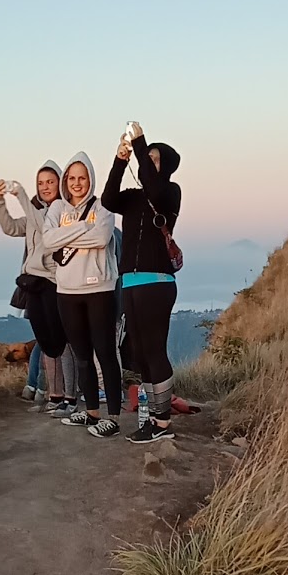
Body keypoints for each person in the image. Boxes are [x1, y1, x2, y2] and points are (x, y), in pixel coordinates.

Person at [101, 120, 182, 444]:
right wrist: (120, 160)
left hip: (157, 282)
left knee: (155, 349)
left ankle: (163, 425)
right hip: (131, 283)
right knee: (141, 354)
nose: (146, 163)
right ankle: (154, 419)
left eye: (154, 159)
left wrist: (139, 143)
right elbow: (108, 198)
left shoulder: (169, 193)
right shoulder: (135, 199)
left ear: (167, 167)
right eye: (145, 157)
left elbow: (154, 186)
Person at [41, 151, 123, 437]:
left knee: (105, 353)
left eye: (82, 177)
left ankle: (112, 417)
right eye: (72, 178)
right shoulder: (56, 209)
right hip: (66, 291)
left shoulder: (104, 206)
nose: (77, 183)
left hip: (99, 289)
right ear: (66, 181)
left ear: (91, 178)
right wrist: (82, 227)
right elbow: (48, 241)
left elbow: (101, 238)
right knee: (81, 356)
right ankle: (90, 413)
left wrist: (68, 232)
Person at [0, 162, 72, 415]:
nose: (45, 187)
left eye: (50, 182)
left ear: (59, 183)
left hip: (54, 282)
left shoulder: (64, 213)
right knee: (46, 343)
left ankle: (67, 397)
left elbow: (41, 225)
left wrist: (22, 195)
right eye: (41, 183)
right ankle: (54, 396)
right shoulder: (34, 212)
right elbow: (10, 227)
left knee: (60, 342)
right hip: (34, 284)